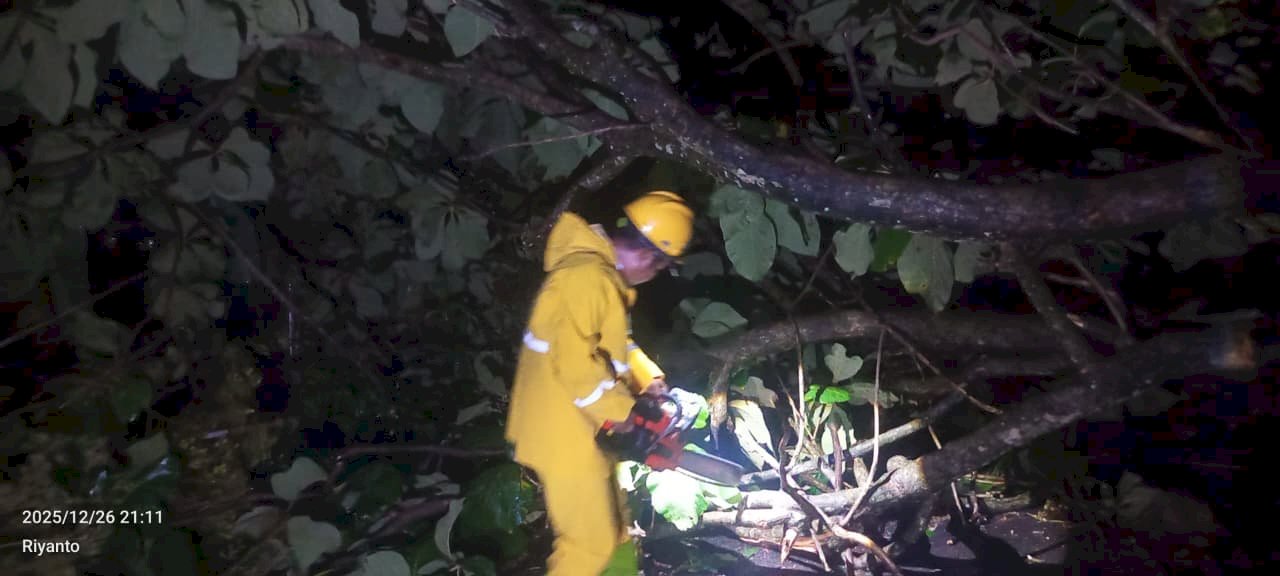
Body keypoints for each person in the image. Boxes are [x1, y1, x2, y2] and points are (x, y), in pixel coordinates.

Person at [505, 191, 694, 575]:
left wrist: (649, 379)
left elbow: (615, 345)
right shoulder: (585, 278)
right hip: (560, 429)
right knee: (589, 544)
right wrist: (624, 415)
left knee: (616, 529)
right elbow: (573, 362)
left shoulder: (601, 278)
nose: (654, 275)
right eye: (660, 267)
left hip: (582, 425)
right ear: (649, 257)